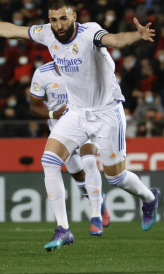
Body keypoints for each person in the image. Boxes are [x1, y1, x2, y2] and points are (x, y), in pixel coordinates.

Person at [0, 0, 160, 251]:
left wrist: (138, 36)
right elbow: (11, 30)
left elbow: (114, 40)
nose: (58, 25)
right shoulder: (47, 33)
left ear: (74, 16)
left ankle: (148, 197)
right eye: (53, 19)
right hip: (77, 112)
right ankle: (64, 229)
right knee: (49, 160)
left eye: (63, 18)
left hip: (107, 112)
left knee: (116, 178)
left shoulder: (89, 32)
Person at [30, 61, 110, 236]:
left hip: (87, 123)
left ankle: (95, 216)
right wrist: (54, 114)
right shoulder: (42, 73)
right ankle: (99, 199)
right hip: (61, 132)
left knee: (89, 161)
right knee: (80, 178)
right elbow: (34, 107)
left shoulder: (85, 66)